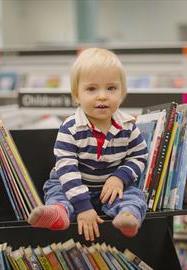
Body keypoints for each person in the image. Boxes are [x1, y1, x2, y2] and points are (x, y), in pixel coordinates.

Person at [28, 48, 148, 241]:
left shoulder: (128, 126)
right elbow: (67, 170)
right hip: (71, 184)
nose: (102, 96)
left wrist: (120, 177)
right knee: (57, 192)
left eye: (111, 88)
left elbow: (139, 156)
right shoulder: (70, 128)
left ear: (122, 93)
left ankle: (128, 216)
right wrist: (83, 207)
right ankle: (58, 214)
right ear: (77, 95)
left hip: (109, 189)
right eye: (92, 89)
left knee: (135, 196)